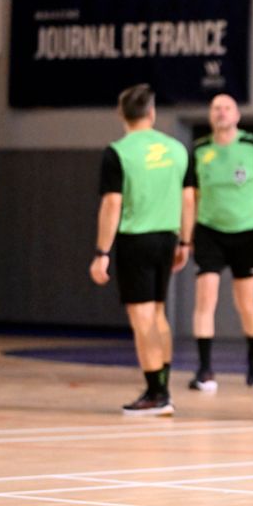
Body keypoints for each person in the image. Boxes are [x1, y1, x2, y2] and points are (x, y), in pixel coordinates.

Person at [89, 83, 194, 415]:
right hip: (168, 237)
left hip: (137, 239)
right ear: (152, 113)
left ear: (122, 114)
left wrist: (102, 252)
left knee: (141, 317)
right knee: (158, 313)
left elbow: (111, 204)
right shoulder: (178, 149)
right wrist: (185, 241)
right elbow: (190, 198)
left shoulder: (118, 152)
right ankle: (161, 386)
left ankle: (156, 393)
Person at [186, 93, 253, 392]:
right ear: (210, 115)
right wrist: (186, 237)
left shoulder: (252, 145)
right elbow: (190, 194)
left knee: (244, 303)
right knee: (205, 299)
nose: (221, 113)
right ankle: (205, 369)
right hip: (209, 230)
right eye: (215, 108)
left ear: (237, 115)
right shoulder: (200, 149)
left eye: (227, 108)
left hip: (248, 231)